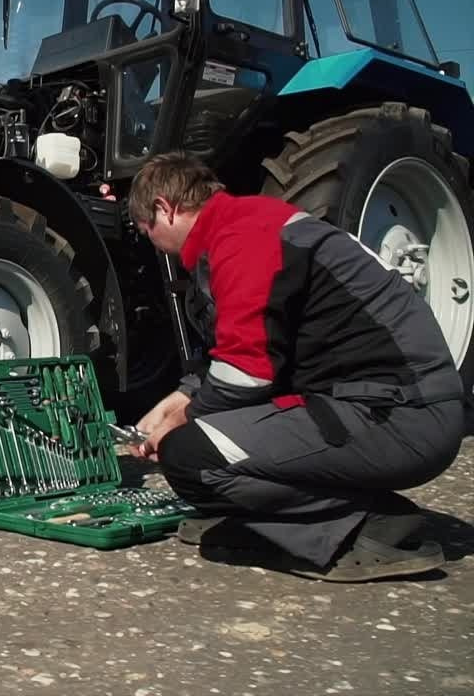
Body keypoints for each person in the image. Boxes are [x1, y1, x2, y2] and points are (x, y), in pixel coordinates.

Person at [125, 151, 465, 582]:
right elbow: (250, 346)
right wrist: (180, 398)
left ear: (165, 209)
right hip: (391, 402)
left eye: (146, 229)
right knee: (199, 441)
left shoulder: (241, 238)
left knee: (191, 457)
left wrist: (181, 421)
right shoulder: (250, 223)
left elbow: (248, 375)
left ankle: (365, 526)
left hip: (403, 414)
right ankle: (277, 522)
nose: (152, 241)